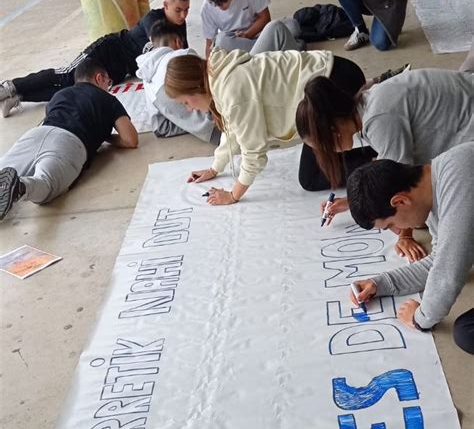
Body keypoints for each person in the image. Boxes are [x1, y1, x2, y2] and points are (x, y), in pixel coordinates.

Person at [295, 68, 474, 260]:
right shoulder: (368, 105)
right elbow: (388, 165)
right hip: (462, 112)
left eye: (325, 146)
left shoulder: (378, 119)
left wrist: (405, 236)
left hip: (467, 131)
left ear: (333, 131)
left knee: (426, 219)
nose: (331, 152)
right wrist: (351, 203)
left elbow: (400, 185)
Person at [164, 47, 366, 205]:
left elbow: (253, 152)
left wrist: (233, 195)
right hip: (333, 74)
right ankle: (377, 151)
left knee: (312, 177)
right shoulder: (218, 75)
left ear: (195, 89)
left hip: (336, 83)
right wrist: (215, 167)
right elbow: (233, 129)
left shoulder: (231, 90)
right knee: (318, 164)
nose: (190, 109)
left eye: (185, 103)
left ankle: (379, 157)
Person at [345, 144, 474, 354]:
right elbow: (438, 261)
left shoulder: (458, 181)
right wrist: (381, 284)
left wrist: (420, 318)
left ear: (400, 201)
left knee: (467, 333)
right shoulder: (437, 180)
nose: (398, 231)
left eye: (390, 225)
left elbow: (449, 272)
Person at [0, 0, 190, 117]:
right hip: (107, 50)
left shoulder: (181, 27)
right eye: (178, 10)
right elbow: (162, 49)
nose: (183, 15)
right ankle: (11, 86)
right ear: (166, 5)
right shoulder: (153, 19)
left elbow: (182, 56)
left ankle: (21, 96)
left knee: (75, 89)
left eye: (186, 10)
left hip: (118, 70)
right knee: (66, 75)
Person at [0, 58, 138, 220]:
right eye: (109, 81)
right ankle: (21, 187)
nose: (109, 85)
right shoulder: (107, 99)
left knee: (3, 170)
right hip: (70, 143)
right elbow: (131, 140)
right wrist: (105, 136)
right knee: (45, 184)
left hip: (36, 134)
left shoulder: (59, 94)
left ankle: (10, 187)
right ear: (99, 78)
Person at [136, 20, 221, 144]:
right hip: (220, 123)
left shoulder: (147, 80)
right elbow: (211, 85)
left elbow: (160, 128)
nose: (190, 108)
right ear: (178, 42)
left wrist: (190, 125)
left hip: (212, 135)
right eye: (185, 103)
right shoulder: (183, 55)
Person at [201, 0, 302, 57]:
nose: (219, 6)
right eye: (215, 4)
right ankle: (275, 50)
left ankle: (254, 58)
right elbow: (209, 43)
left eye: (222, 3)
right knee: (220, 41)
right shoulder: (207, 8)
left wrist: (247, 34)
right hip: (236, 43)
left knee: (293, 26)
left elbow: (265, 18)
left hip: (258, 34)